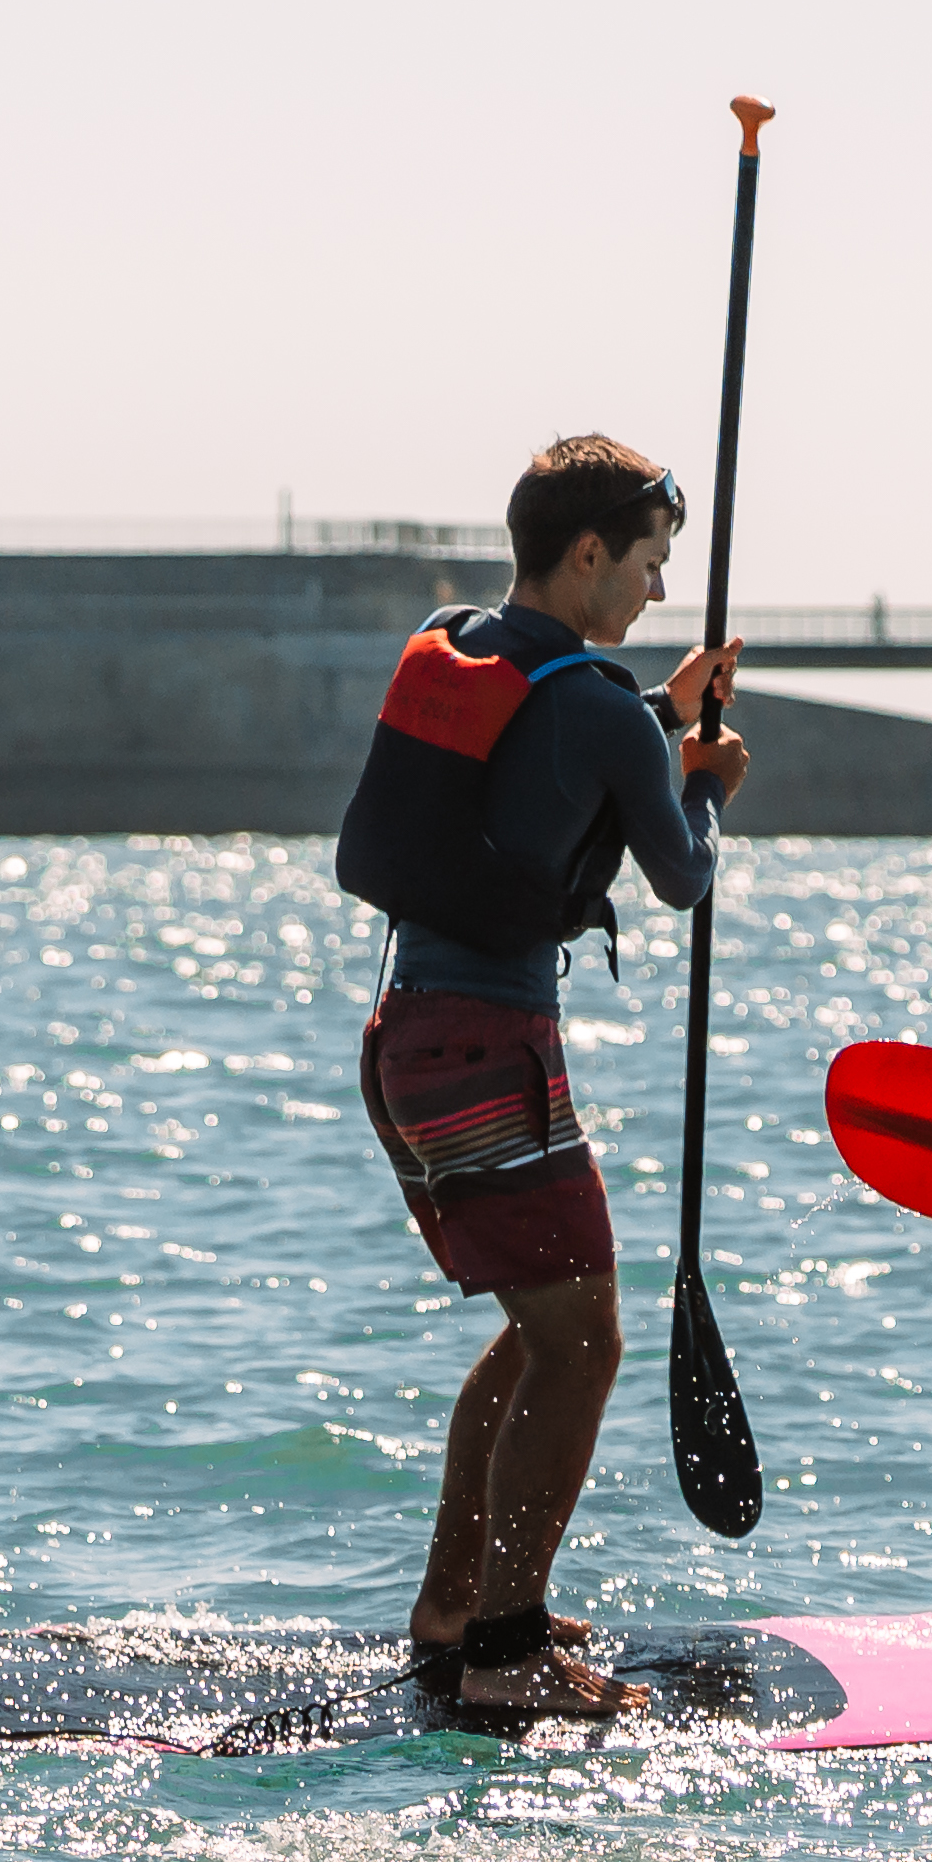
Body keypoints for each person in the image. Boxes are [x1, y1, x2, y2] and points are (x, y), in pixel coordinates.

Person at [331, 431, 747, 1724]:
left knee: (541, 1330)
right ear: (587, 554)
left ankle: (457, 1609)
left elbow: (545, 763)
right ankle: (504, 1652)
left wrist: (661, 717)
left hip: (409, 1038)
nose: (658, 591)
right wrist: (707, 783)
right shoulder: (603, 711)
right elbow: (681, 874)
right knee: (585, 1344)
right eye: (648, 562)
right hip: (488, 1055)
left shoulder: (473, 645)